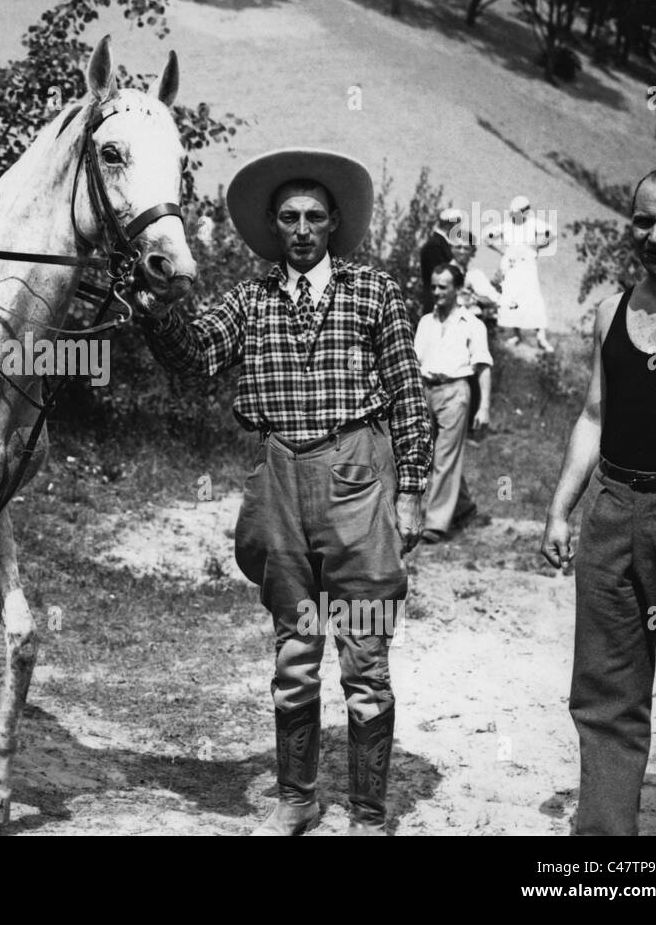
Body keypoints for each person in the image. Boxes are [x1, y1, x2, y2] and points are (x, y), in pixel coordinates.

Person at [133, 148, 432, 836]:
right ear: (273, 224)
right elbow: (197, 352)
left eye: (315, 217)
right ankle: (295, 797)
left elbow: (412, 396)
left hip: (354, 475)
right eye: (290, 217)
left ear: (334, 224)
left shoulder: (372, 291)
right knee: (294, 652)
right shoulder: (251, 295)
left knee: (364, 654)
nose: (302, 229)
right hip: (276, 481)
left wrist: (411, 489)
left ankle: (368, 812)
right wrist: (154, 306)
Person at [541, 165, 656, 836]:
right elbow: (593, 414)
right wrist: (560, 507)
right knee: (606, 693)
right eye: (644, 220)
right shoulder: (612, 308)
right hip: (612, 509)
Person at [413, 264, 492, 543]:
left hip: (456, 392)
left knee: (445, 456)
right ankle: (464, 506)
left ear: (457, 290)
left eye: (443, 287)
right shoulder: (425, 322)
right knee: (433, 454)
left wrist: (483, 407)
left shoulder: (472, 324)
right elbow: (414, 362)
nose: (436, 292)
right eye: (433, 286)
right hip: (426, 390)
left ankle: (435, 524)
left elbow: (482, 366)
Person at [497, 195, 555, 353]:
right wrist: (503, 251)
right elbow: (487, 236)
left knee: (533, 297)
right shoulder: (507, 226)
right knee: (514, 299)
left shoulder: (533, 224)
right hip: (513, 268)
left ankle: (541, 336)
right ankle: (516, 335)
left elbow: (551, 233)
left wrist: (537, 245)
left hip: (528, 267)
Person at [449, 237, 499, 332]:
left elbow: (494, 299)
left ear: (472, 252)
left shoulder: (475, 274)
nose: (462, 251)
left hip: (475, 321)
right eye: (458, 247)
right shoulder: (447, 273)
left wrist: (478, 298)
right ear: (452, 249)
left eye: (466, 248)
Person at [418, 207, 459, 314]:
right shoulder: (435, 245)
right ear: (451, 225)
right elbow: (439, 276)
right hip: (436, 303)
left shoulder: (440, 244)